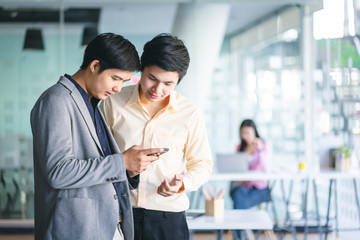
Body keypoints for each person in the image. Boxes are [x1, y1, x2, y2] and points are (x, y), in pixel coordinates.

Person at [30, 33, 164, 240]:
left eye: (124, 81)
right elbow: (59, 172)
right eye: (115, 78)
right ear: (94, 66)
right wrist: (122, 162)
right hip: (76, 228)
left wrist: (129, 169)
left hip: (106, 225)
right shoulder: (56, 100)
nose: (118, 88)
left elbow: (99, 167)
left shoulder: (92, 102)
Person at [100, 33, 213, 240]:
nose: (157, 89)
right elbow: (98, 157)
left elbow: (202, 163)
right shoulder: (112, 102)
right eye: (152, 78)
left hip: (168, 218)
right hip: (120, 214)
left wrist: (182, 184)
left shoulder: (190, 113)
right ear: (142, 67)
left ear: (179, 80)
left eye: (168, 83)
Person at [230, 119, 272, 239]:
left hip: (260, 189)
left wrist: (261, 151)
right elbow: (236, 167)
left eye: (248, 133)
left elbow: (266, 168)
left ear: (255, 132)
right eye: (243, 133)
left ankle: (240, 234)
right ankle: (245, 230)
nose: (245, 136)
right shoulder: (240, 147)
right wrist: (246, 153)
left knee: (238, 202)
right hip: (244, 187)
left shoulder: (264, 145)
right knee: (238, 194)